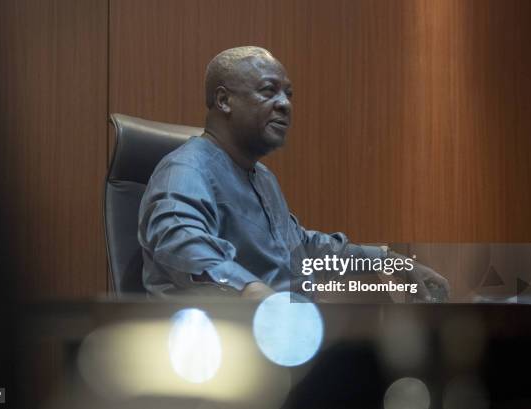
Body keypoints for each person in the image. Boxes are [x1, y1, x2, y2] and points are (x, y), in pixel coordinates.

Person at [138, 46, 449, 300]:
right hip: (222, 351)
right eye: (268, 91)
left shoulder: (262, 177)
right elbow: (179, 241)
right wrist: (250, 289)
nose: (285, 104)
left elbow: (303, 248)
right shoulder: (185, 169)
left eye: (288, 93)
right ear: (224, 100)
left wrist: (387, 260)